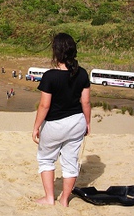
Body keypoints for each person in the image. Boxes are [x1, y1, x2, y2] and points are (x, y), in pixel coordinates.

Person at [32, 33, 91, 207]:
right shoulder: (81, 74)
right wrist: (87, 123)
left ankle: (50, 198)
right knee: (70, 161)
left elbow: (44, 106)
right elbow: (86, 101)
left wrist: (36, 127)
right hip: (77, 121)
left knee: (46, 159)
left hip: (55, 124)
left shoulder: (50, 76)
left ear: (56, 53)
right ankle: (65, 199)